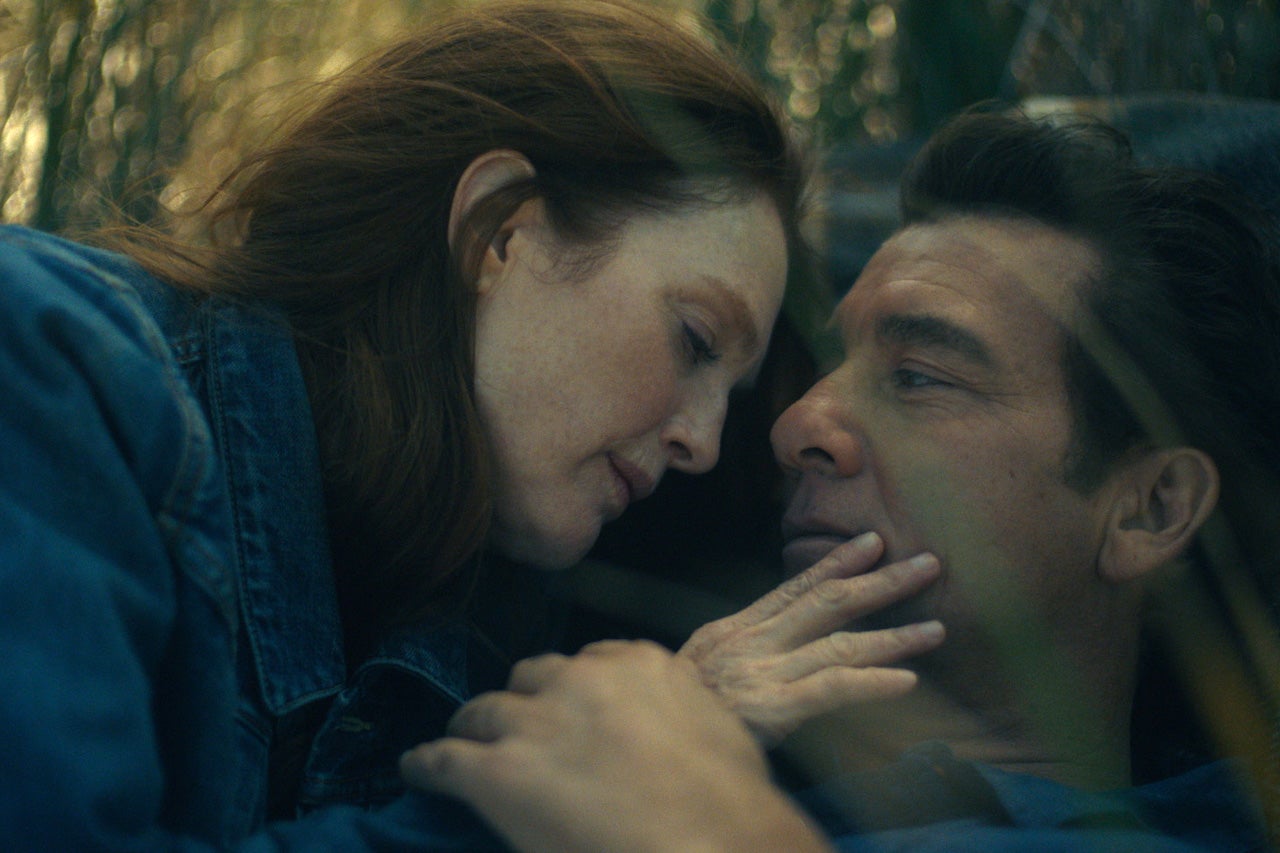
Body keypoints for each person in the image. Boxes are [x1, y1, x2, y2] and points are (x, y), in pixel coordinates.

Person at [0, 1, 954, 849]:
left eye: (731, 398)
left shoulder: (466, 626)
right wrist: (590, 793)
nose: (700, 443)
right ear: (499, 231)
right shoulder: (53, 363)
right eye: (696, 340)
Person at [400, 108, 1280, 851]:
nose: (794, 426)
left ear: (1150, 509)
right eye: (834, 362)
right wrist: (666, 737)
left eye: (918, 378)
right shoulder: (654, 725)